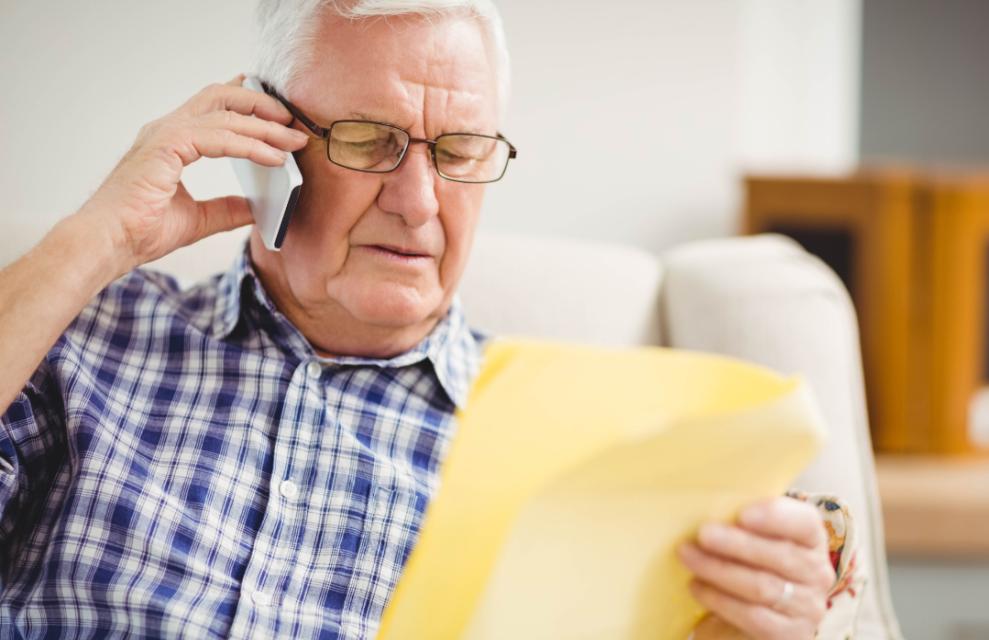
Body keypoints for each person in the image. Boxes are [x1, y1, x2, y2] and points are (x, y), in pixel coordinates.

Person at [0, 1, 860, 637]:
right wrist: (95, 238)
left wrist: (787, 588)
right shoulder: (75, 336)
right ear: (260, 134)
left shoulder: (568, 436)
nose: (418, 205)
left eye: (458, 152)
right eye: (369, 141)